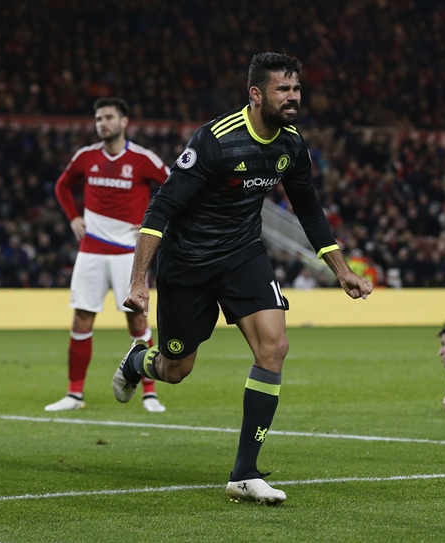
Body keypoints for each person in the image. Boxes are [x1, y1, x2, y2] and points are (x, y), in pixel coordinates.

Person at [112, 52, 373, 505]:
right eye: (282, 90)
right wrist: (140, 280)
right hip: (188, 263)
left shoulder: (291, 143)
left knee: (275, 346)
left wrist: (342, 271)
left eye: (296, 89)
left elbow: (308, 209)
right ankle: (138, 362)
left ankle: (244, 472)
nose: (293, 98)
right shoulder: (215, 141)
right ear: (256, 94)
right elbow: (162, 208)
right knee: (176, 369)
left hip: (242, 255)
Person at [47, 97, 170, 413]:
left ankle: (150, 392)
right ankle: (74, 394)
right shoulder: (86, 157)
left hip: (129, 254)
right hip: (91, 251)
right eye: (98, 118)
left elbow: (172, 187)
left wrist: (153, 222)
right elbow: (62, 186)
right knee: (82, 318)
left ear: (124, 121)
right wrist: (74, 216)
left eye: (108, 117)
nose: (102, 123)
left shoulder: (142, 158)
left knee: (137, 321)